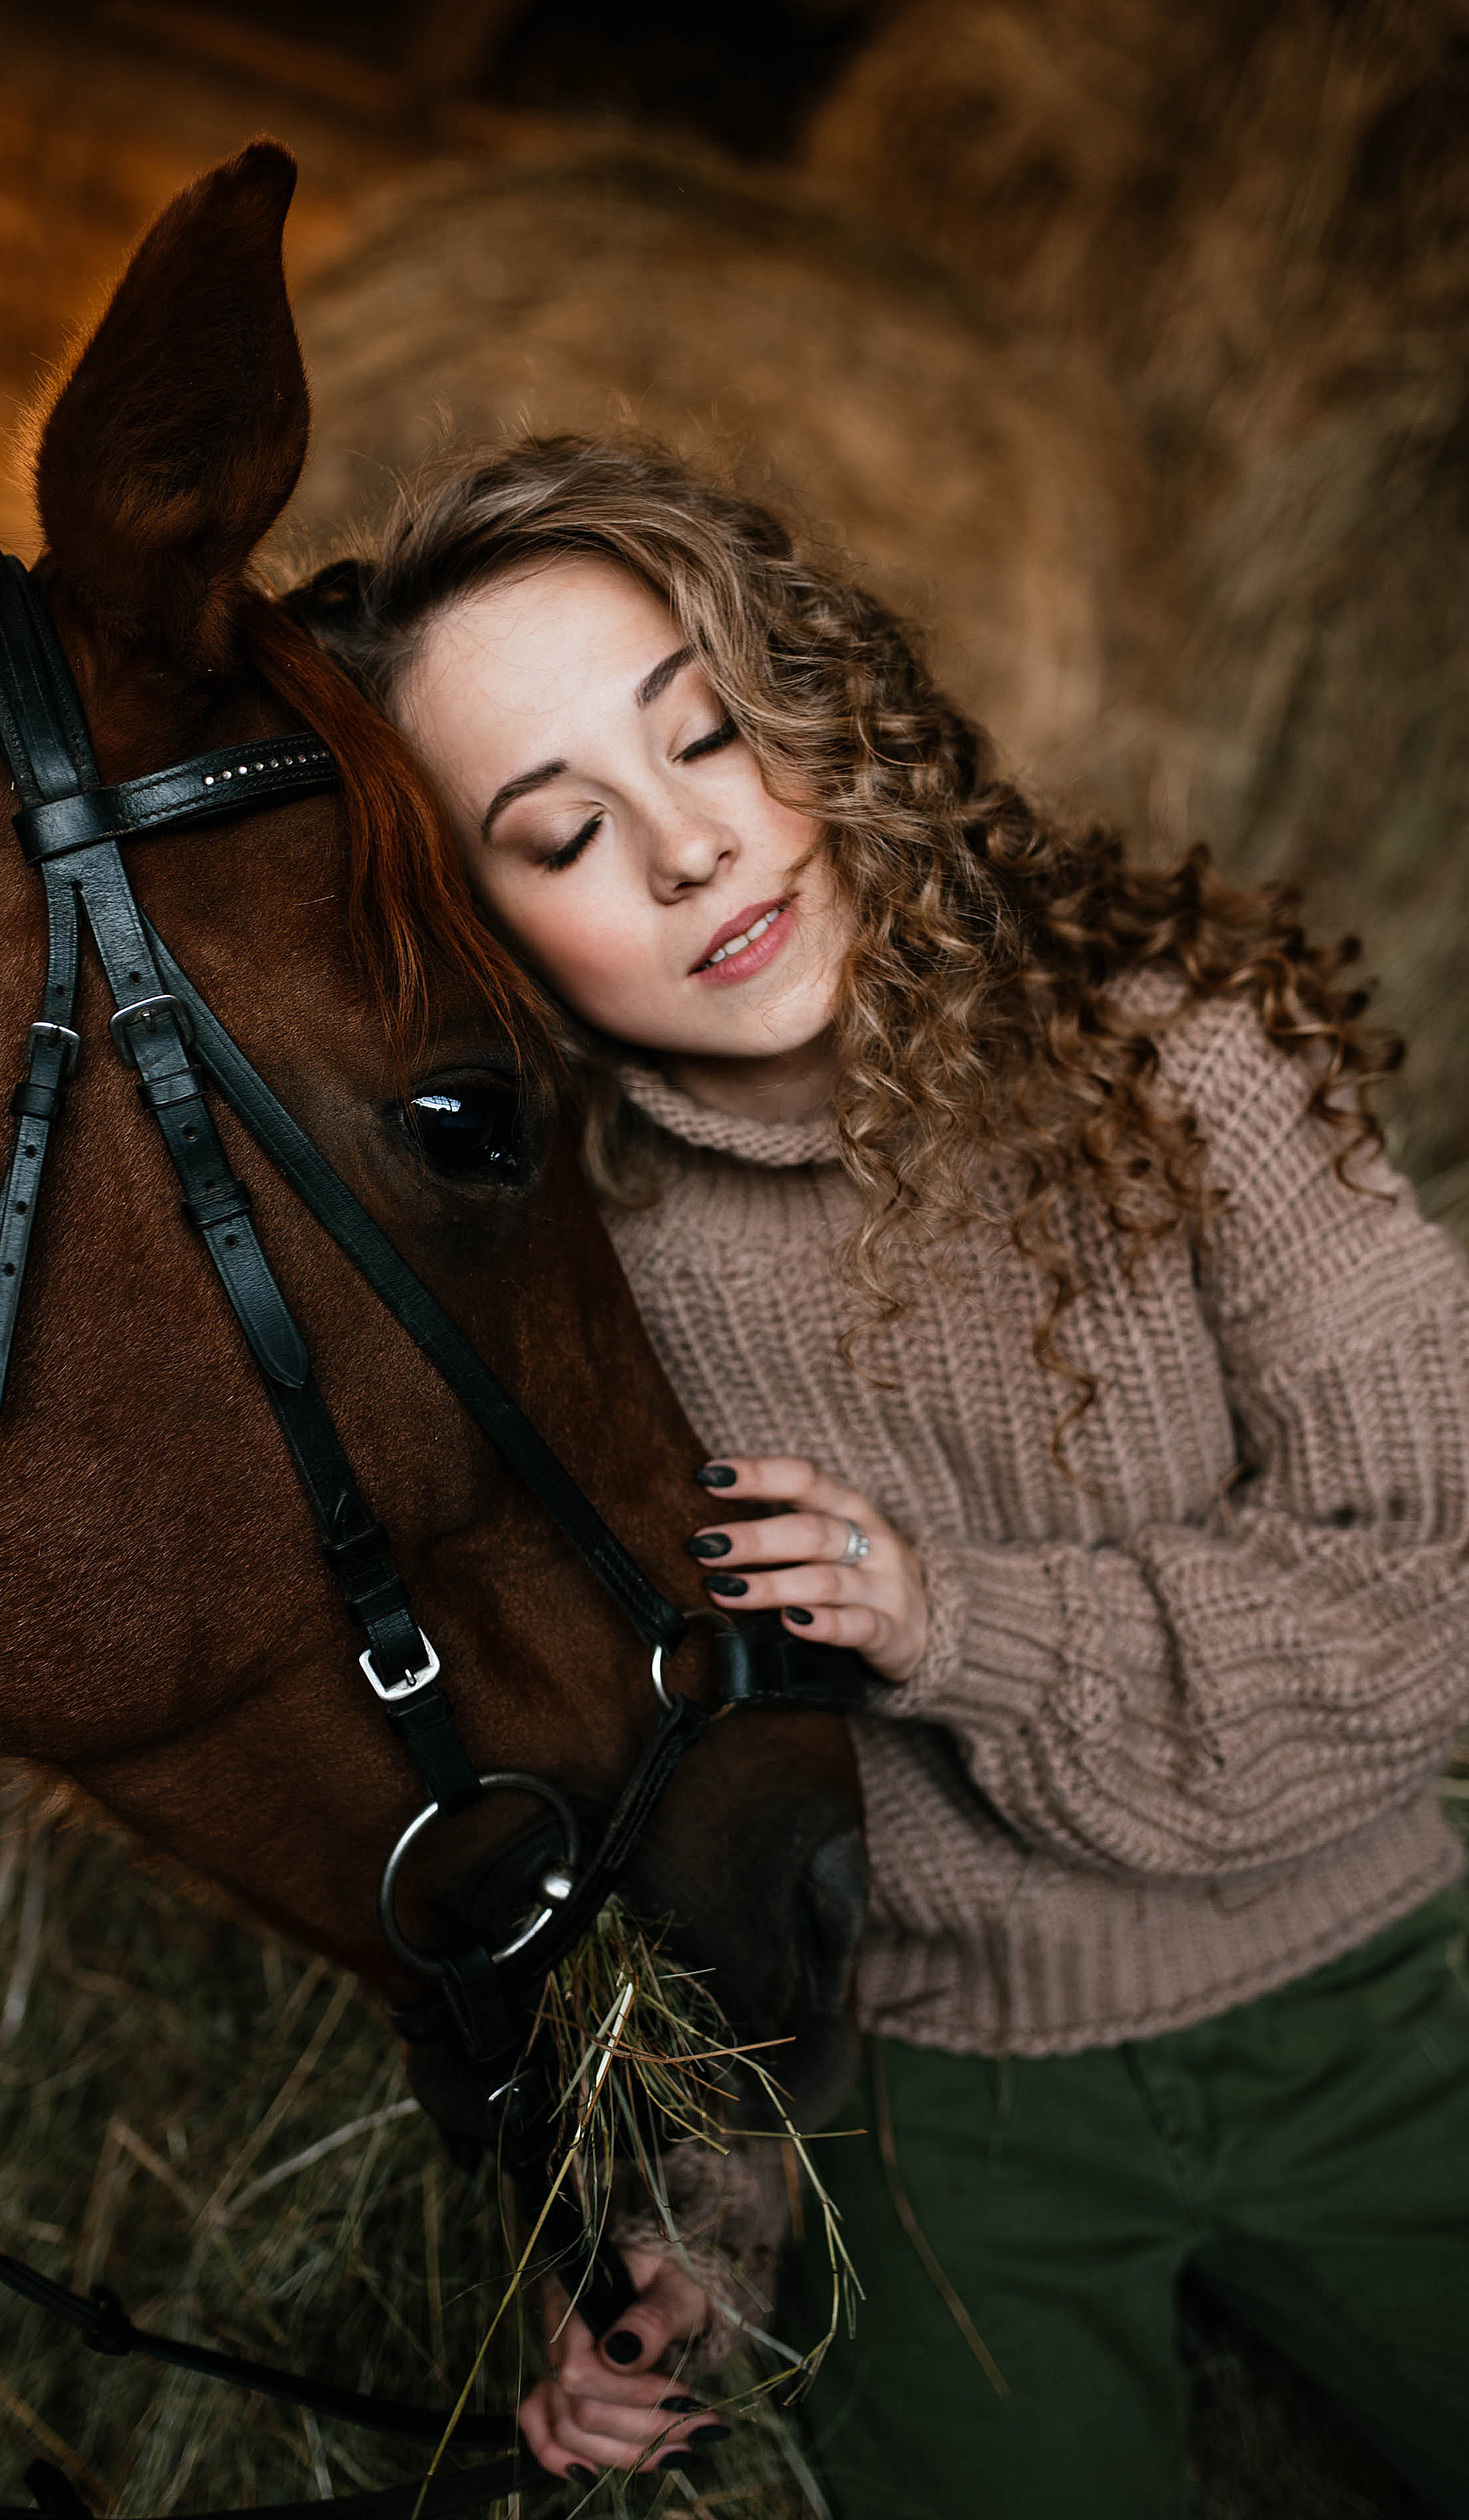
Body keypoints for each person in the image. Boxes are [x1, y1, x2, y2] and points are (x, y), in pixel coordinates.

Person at [290, 438, 1469, 2520]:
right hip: (944, 2139)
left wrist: (962, 1624)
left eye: (710, 733)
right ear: (483, 932)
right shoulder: (588, 1301)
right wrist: (696, 2249)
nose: (684, 850)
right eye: (561, 835)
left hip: (1375, 2013)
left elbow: (1434, 1580)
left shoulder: (1183, 1065)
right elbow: (674, 1848)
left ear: (818, 700)